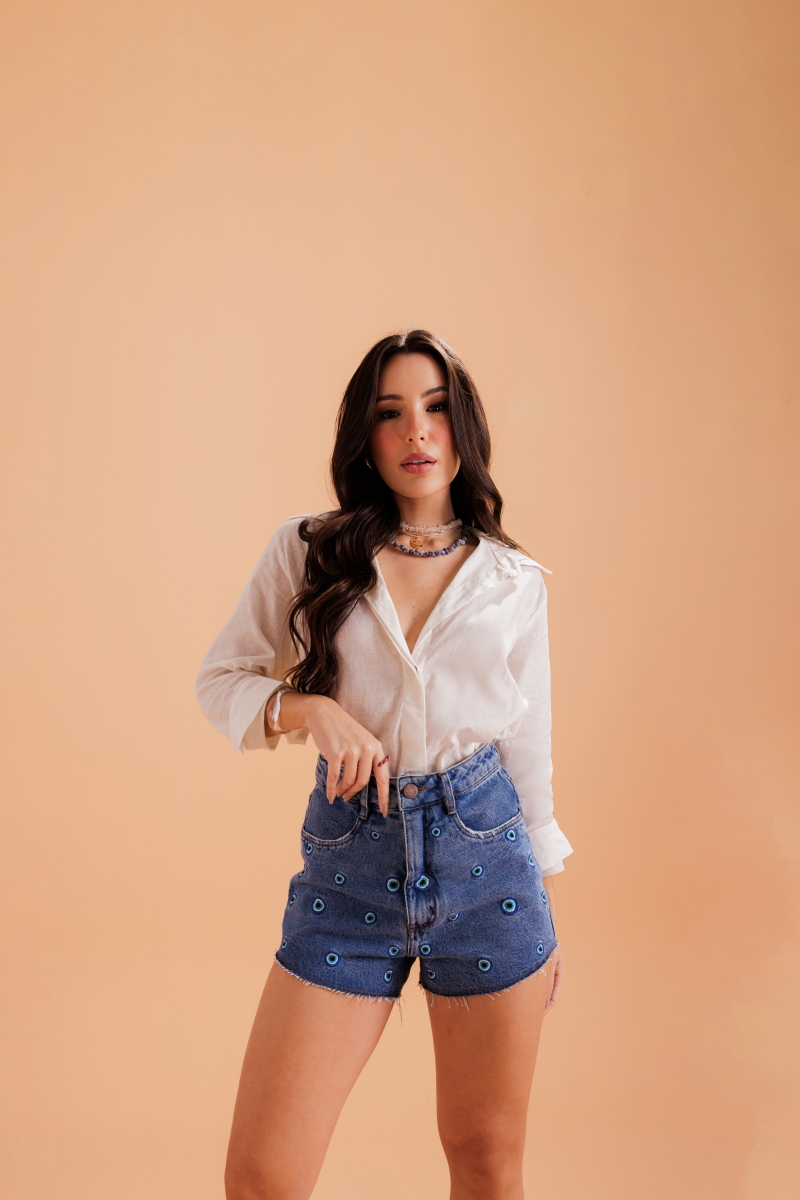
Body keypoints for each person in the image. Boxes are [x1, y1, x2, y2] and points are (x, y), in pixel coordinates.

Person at [195, 329, 573, 1200]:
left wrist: (546, 908)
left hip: (491, 871)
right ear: (364, 437)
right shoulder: (309, 550)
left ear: (463, 426)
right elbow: (221, 681)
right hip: (350, 868)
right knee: (263, 1176)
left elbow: (529, 758)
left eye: (436, 409)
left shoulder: (514, 582)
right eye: (391, 413)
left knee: (486, 1163)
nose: (417, 432)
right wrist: (312, 710)